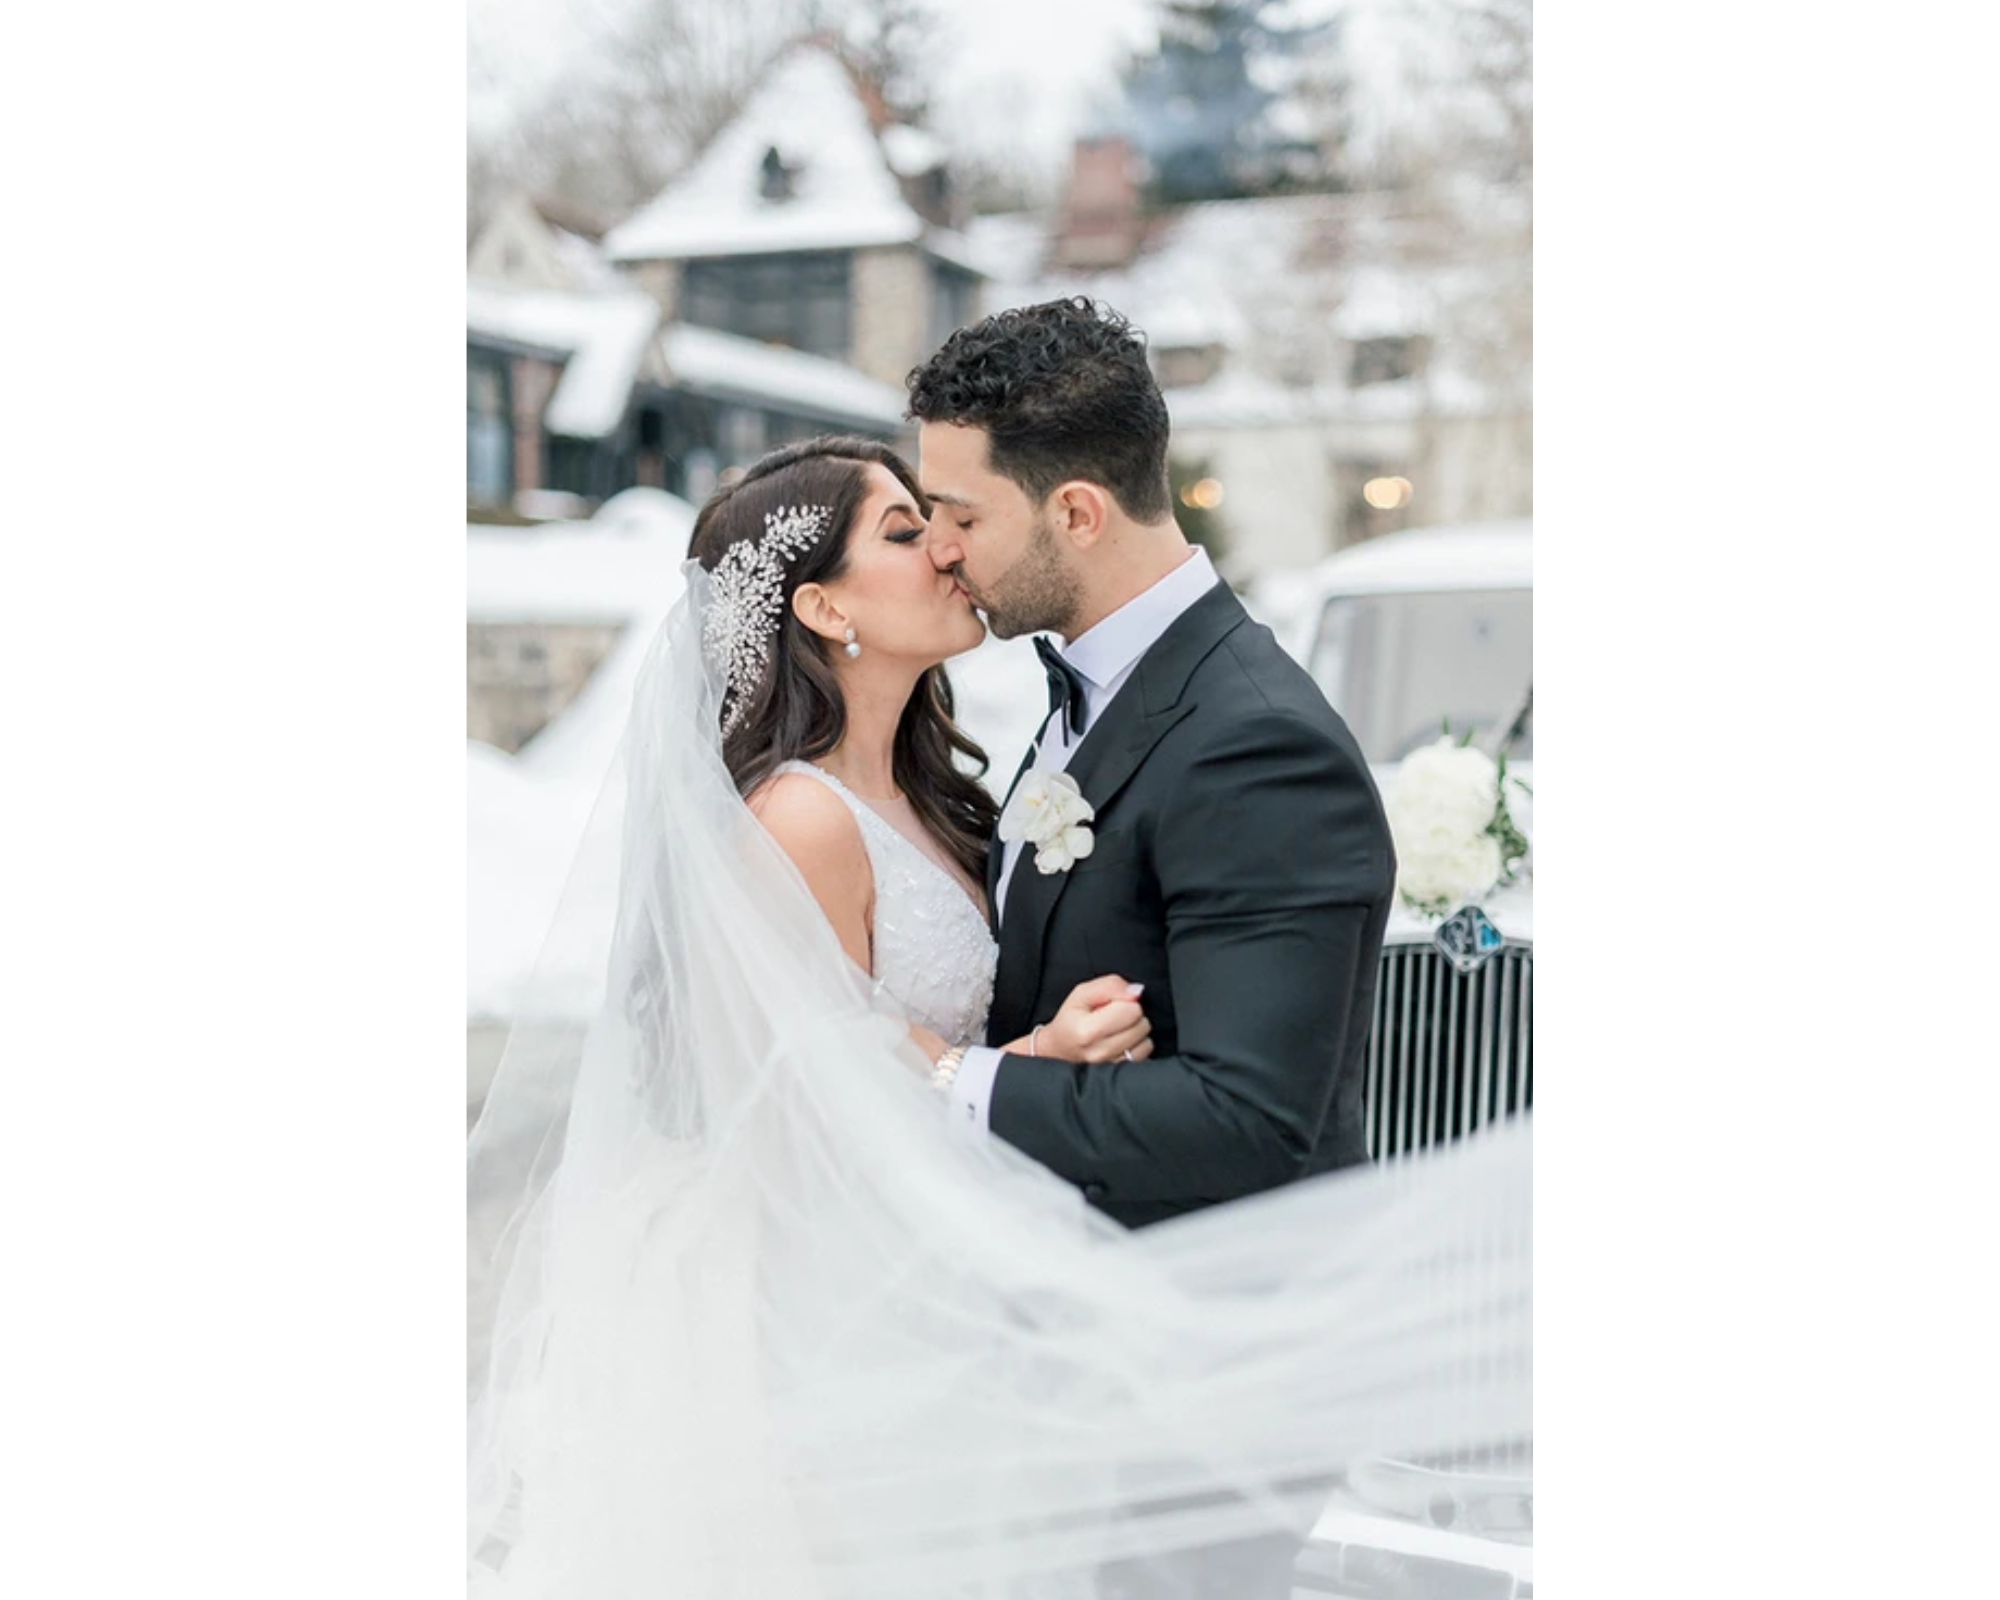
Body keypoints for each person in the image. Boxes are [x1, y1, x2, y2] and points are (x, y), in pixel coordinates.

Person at [465, 430, 1531, 1598]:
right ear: (823, 606)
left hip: (966, 1298)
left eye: (941, 521)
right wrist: (1031, 1059)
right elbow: (798, 1103)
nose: (945, 552)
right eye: (904, 530)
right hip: (846, 1314)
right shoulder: (800, 822)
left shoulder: (942, 795)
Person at [907, 297, 1398, 1241]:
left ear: (1078, 513)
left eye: (961, 513)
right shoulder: (1100, 685)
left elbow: (1247, 1121)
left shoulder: (1257, 748)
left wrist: (948, 1080)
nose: (939, 545)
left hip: (1209, 1333)